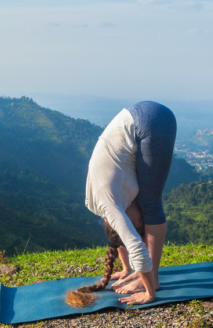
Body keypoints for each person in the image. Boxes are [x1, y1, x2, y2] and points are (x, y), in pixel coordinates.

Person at [68, 101, 176, 306]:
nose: (143, 221)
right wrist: (127, 269)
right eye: (144, 227)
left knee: (150, 204)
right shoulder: (102, 206)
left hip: (149, 121)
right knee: (146, 203)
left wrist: (149, 293)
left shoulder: (109, 204)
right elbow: (119, 235)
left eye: (140, 225)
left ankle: (152, 279)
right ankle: (147, 276)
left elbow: (133, 244)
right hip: (139, 115)